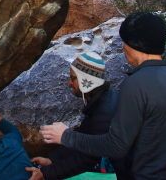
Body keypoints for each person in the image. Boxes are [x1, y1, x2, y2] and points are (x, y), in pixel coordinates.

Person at [40, 12, 166, 180]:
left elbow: (115, 146)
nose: (123, 48)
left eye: (124, 42)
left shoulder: (137, 84)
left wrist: (66, 136)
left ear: (132, 44)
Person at [26, 52, 129, 180]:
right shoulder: (102, 100)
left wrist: (45, 173)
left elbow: (87, 158)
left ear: (85, 80)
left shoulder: (104, 112)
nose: (69, 83)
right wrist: (51, 160)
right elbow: (82, 137)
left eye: (73, 78)